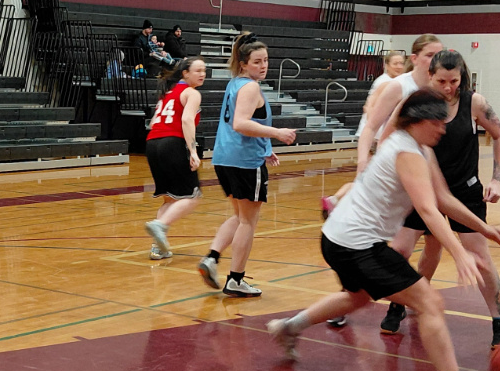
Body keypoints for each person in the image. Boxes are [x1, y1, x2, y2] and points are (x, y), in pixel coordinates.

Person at [268, 88, 500, 371]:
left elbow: (443, 198)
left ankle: (289, 327)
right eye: (437, 122)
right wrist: (460, 253)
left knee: (357, 297)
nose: (442, 128)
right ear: (417, 120)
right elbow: (428, 210)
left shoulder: (417, 147)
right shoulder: (406, 151)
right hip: (357, 243)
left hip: (339, 237)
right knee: (430, 303)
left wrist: (483, 228)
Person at [380, 50, 500, 345]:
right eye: (442, 81)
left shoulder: (474, 102)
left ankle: (499, 320)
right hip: (422, 189)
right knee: (400, 250)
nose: (449, 87)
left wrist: (496, 178)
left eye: (454, 81)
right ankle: (400, 301)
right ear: (430, 76)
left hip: (464, 190)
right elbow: (386, 139)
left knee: (480, 257)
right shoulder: (416, 103)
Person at [199, 34, 298, 297]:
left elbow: (244, 124)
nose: (263, 66)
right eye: (257, 61)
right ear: (243, 64)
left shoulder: (235, 84)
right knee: (248, 222)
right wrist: (277, 133)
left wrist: (265, 148)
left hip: (225, 157)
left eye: (265, 60)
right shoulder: (251, 88)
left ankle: (211, 258)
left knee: (239, 216)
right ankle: (235, 279)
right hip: (243, 161)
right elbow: (241, 123)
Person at [322, 35, 442, 219]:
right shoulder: (398, 85)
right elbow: (370, 125)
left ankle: (338, 203)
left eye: (438, 55)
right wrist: (362, 161)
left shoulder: (439, 87)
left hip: (423, 159)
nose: (435, 60)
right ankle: (340, 206)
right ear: (414, 58)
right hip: (394, 156)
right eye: (429, 55)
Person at [144, 57, 207, 261]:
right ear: (185, 73)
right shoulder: (191, 93)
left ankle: (158, 248)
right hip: (172, 143)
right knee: (192, 196)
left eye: (204, 70)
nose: (202, 74)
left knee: (169, 198)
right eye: (198, 70)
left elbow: (153, 122)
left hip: (152, 144)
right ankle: (160, 225)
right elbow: (187, 120)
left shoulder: (167, 93)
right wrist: (193, 151)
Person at [356, 48, 408, 140]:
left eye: (401, 63)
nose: (399, 66)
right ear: (387, 66)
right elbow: (369, 106)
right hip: (375, 132)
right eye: (395, 64)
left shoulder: (402, 80)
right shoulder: (383, 82)